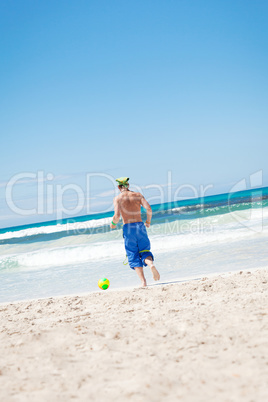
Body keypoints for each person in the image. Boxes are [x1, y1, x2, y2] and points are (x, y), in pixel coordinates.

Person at [110, 177, 160, 287]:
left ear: (119, 187)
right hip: (140, 226)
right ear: (128, 185)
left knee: (133, 254)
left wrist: (113, 224)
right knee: (145, 250)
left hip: (128, 228)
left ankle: (143, 282)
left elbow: (117, 216)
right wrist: (148, 221)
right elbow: (149, 209)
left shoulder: (117, 199)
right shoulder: (138, 195)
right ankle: (150, 264)